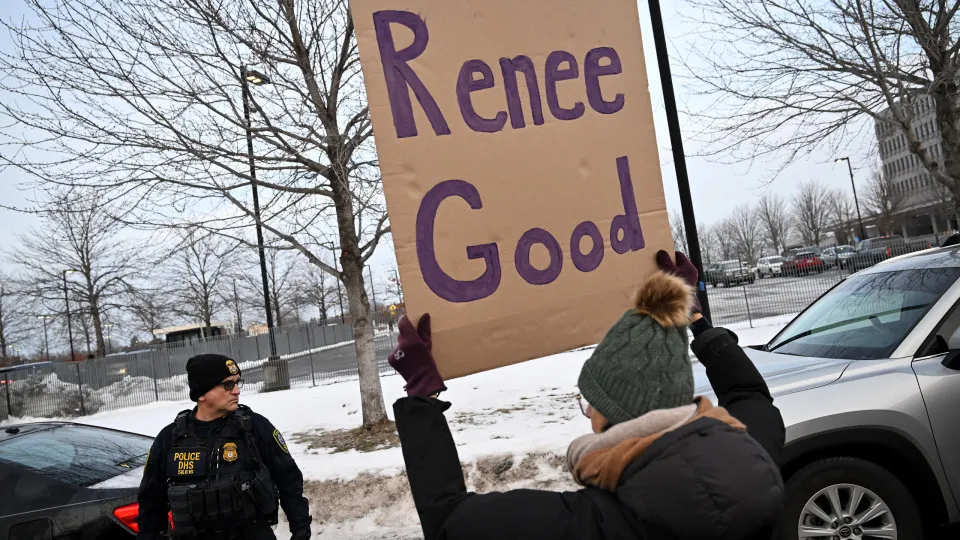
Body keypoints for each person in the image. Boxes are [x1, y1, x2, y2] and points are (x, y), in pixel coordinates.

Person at [388, 250, 785, 540]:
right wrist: (691, 314)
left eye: (590, 403)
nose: (588, 414)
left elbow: (449, 522)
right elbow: (749, 393)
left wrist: (421, 390)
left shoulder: (594, 525)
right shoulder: (753, 455)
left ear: (612, 415)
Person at [136, 354, 312, 540]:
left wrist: (300, 529)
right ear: (202, 393)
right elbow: (151, 501)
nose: (236, 391)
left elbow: (289, 481)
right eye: (228, 384)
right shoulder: (170, 439)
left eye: (237, 383)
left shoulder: (255, 428)